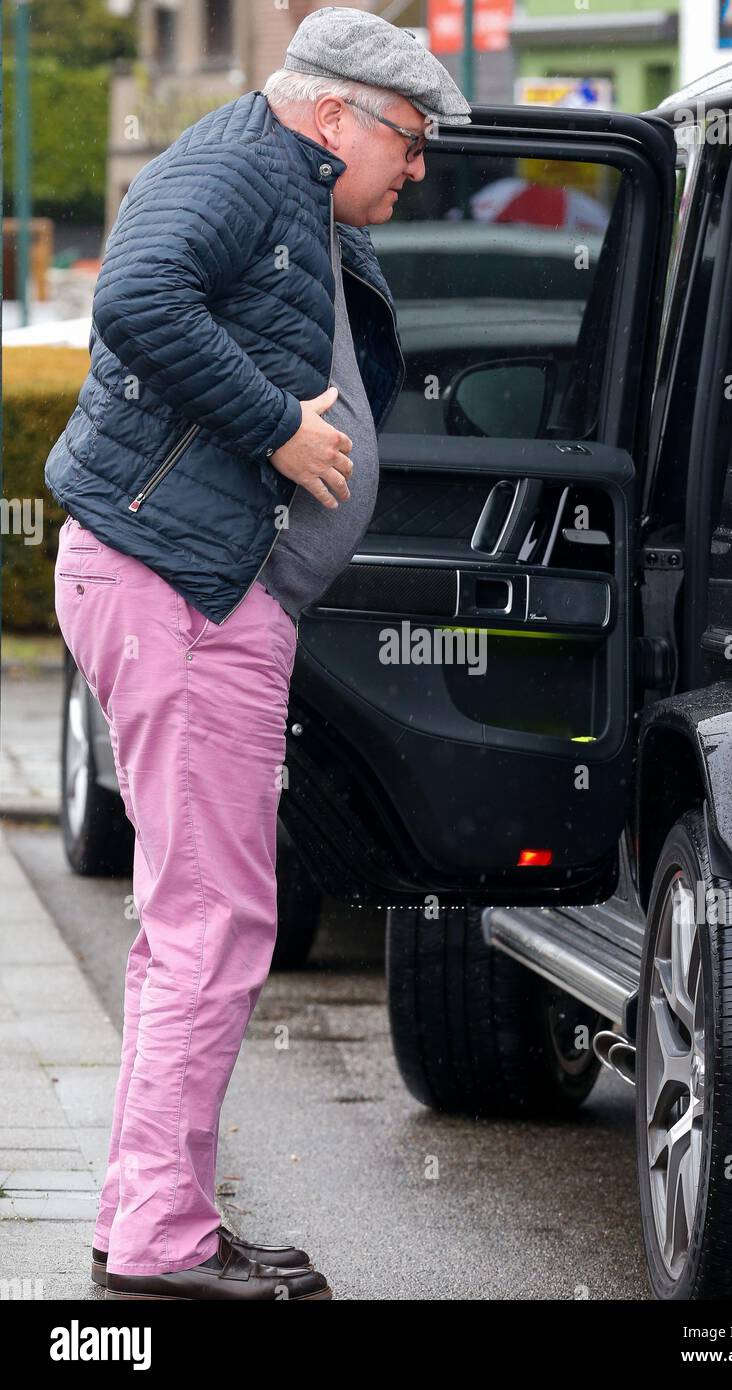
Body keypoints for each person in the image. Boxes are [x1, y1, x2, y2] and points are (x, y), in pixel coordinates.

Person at [45, 6, 471, 1302]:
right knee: (214, 922)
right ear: (332, 112)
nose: (417, 167)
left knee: (191, 923)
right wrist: (281, 432)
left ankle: (153, 1220)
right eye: (406, 139)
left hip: (191, 587)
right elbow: (134, 299)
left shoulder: (284, 182)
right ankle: (164, 1244)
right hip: (181, 589)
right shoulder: (241, 166)